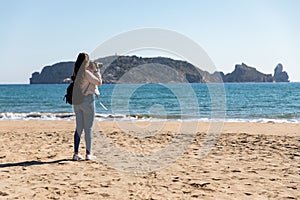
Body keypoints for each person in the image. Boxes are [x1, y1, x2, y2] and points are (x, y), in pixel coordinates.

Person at [72, 53, 102, 161]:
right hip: (88, 101)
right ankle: (88, 153)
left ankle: (76, 153)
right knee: (88, 128)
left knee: (79, 128)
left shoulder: (76, 73)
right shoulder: (86, 73)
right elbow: (99, 82)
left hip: (77, 101)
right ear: (86, 62)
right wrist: (97, 70)